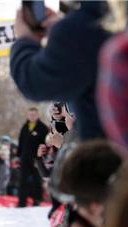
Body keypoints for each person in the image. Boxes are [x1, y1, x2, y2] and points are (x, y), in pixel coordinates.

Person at [9, 1, 111, 140]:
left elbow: (33, 82)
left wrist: (25, 40)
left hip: (117, 151)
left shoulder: (85, 24)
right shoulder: (124, 12)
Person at [17, 107, 49, 207]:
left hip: (37, 159)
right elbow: (21, 142)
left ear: (38, 115)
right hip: (25, 158)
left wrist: (42, 157)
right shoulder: (25, 127)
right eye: (30, 114)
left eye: (34, 114)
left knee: (37, 180)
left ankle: (37, 200)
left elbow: (46, 144)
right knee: (23, 180)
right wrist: (18, 156)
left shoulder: (43, 128)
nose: (32, 116)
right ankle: (22, 202)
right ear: (27, 115)